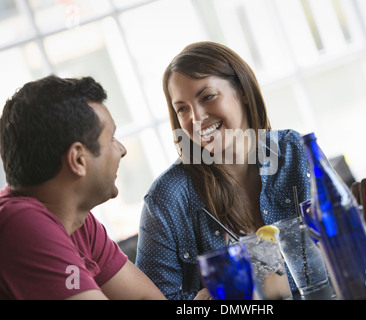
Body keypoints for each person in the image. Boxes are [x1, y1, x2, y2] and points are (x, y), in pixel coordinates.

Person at [0, 75, 211, 300]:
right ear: (78, 160)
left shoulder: (77, 222)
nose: (121, 149)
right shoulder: (20, 223)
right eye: (111, 138)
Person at [136, 41, 311, 299]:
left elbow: (343, 242)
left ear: (241, 90)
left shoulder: (294, 151)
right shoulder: (166, 199)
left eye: (207, 97)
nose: (196, 119)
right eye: (182, 108)